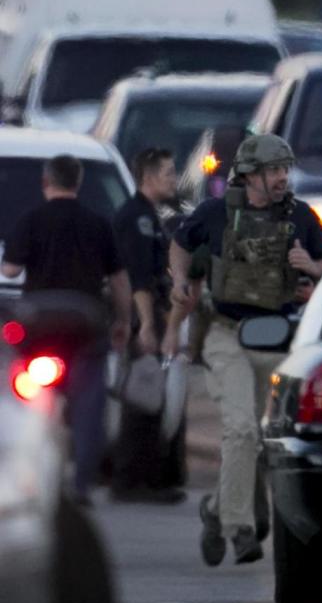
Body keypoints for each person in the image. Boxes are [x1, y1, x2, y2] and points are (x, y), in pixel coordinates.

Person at [165, 134, 322, 565]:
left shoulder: (301, 216)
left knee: (259, 438)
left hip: (277, 337)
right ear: (249, 175)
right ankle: (239, 529)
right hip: (225, 334)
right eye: (274, 170)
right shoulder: (214, 212)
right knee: (241, 429)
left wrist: (311, 268)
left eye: (284, 170)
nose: (282, 178)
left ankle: (215, 508)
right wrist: (180, 281)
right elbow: (180, 244)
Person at [1, 155, 132, 506]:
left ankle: (25, 472)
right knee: (89, 403)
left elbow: (10, 272)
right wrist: (124, 321)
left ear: (46, 182)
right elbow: (119, 281)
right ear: (79, 182)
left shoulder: (29, 221)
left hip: (38, 325)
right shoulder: (98, 224)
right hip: (86, 323)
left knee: (23, 397)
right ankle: (81, 482)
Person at [110, 147, 186, 504]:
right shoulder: (136, 219)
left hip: (151, 312)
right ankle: (131, 480)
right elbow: (138, 277)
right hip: (144, 315)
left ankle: (150, 478)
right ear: (149, 177)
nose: (174, 179)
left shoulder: (149, 216)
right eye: (169, 173)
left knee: (151, 395)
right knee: (142, 397)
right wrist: (146, 326)